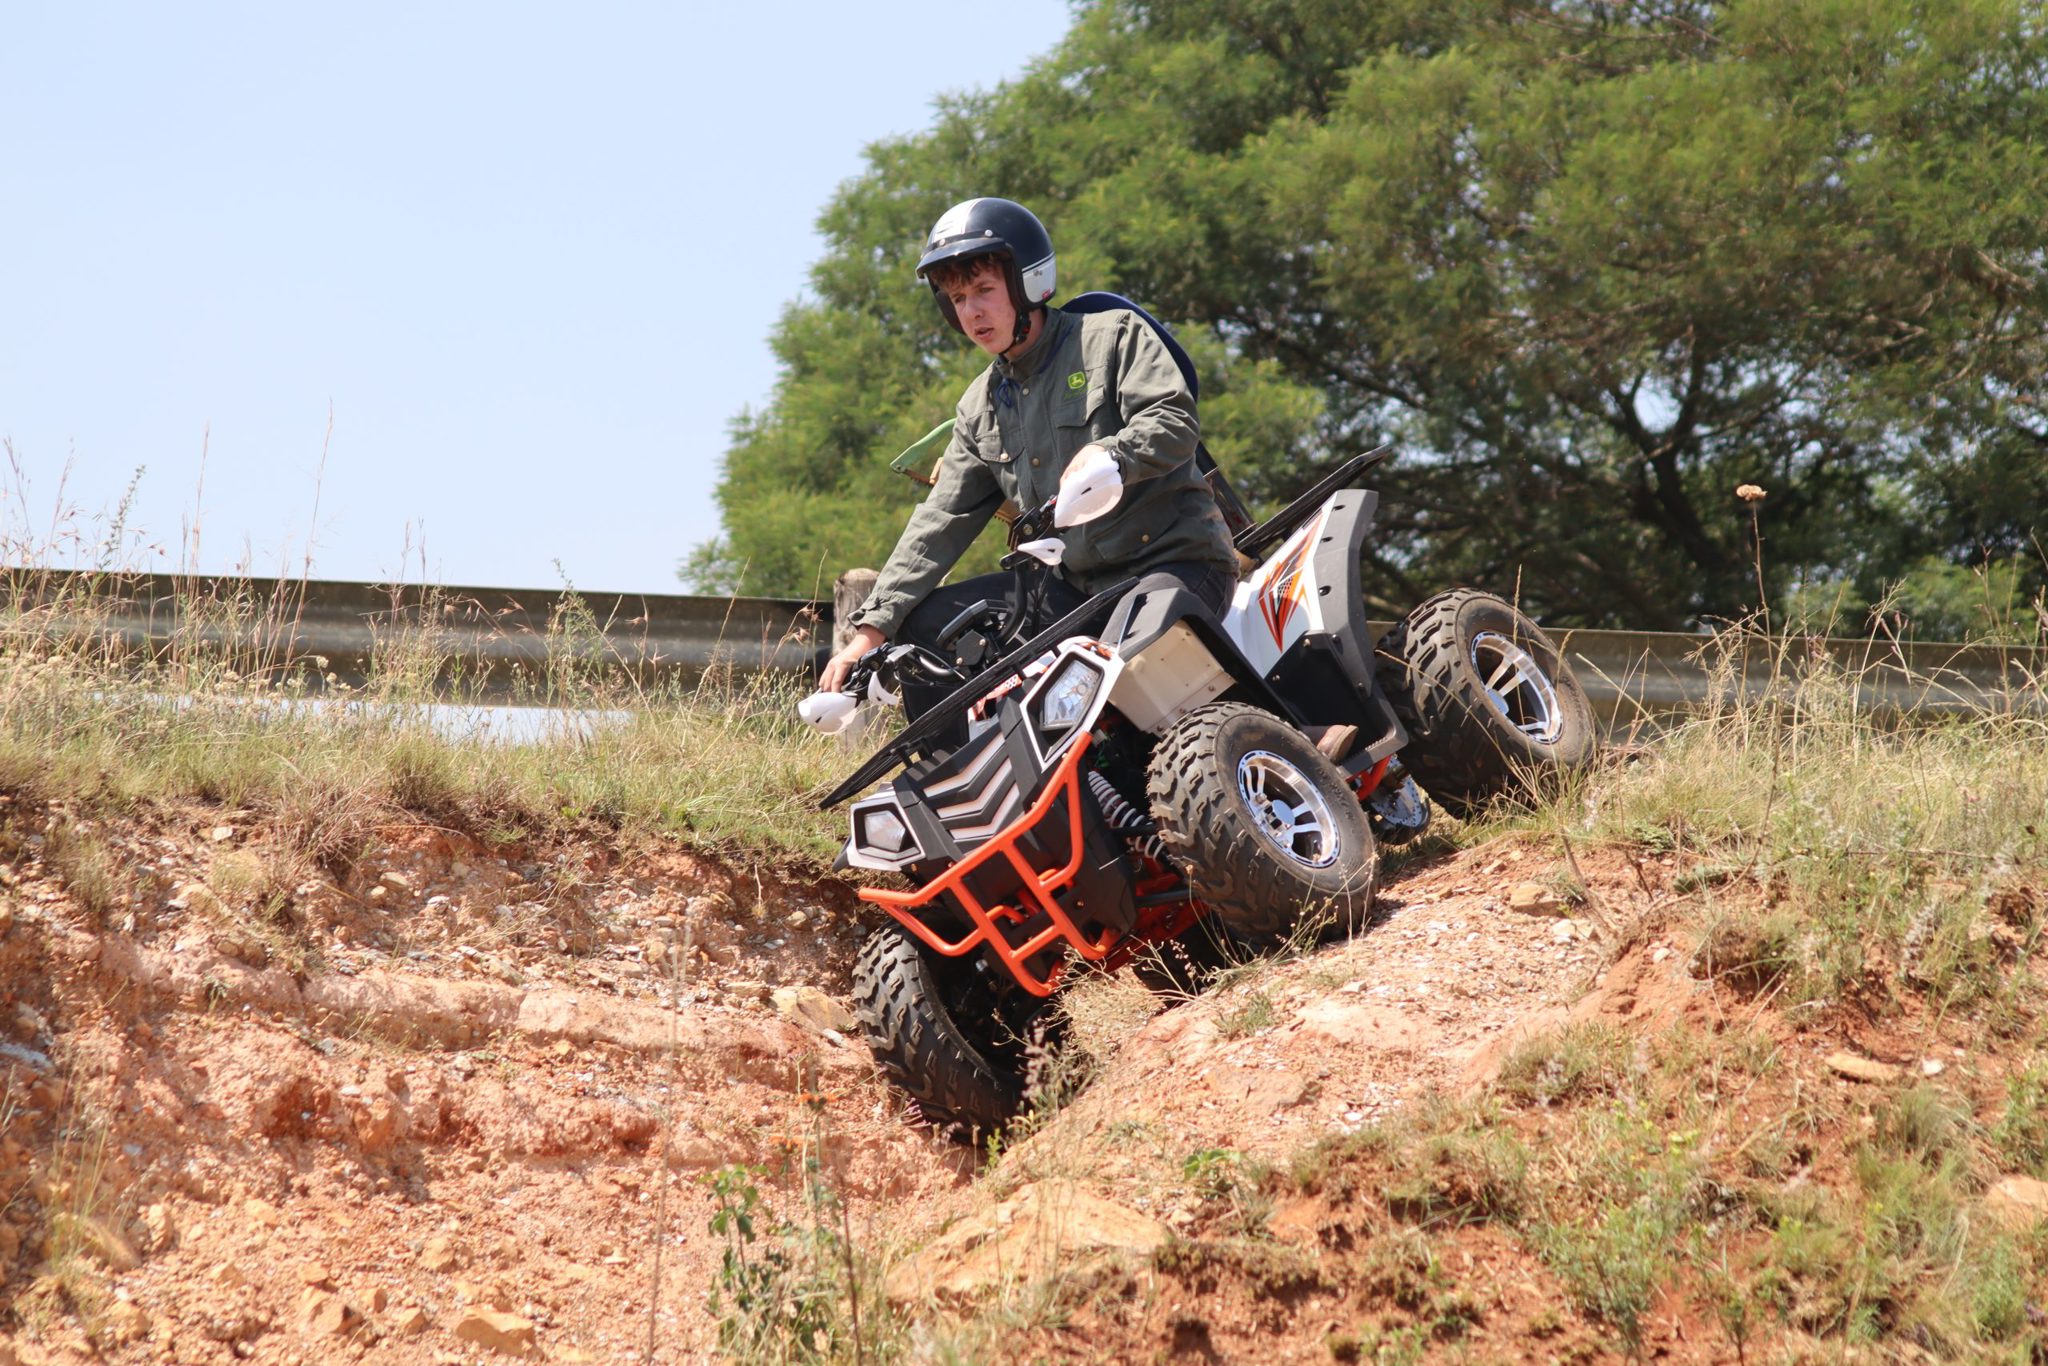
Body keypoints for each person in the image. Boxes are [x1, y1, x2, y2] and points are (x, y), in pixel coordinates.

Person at [818, 197, 1239, 717]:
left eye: (984, 291)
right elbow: (940, 519)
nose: (971, 311)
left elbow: (1174, 421)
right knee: (924, 630)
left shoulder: (1111, 338)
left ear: (1026, 285)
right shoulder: (980, 407)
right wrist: (871, 630)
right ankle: (952, 780)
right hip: (1075, 591)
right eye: (957, 298)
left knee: (1122, 673)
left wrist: (1113, 454)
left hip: (1174, 565)